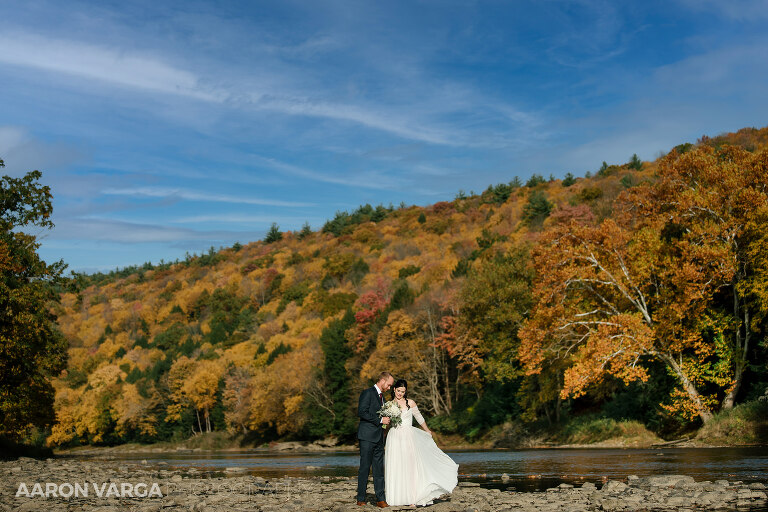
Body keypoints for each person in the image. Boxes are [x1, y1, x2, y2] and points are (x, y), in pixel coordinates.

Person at [384, 379, 459, 507]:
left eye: (403, 391)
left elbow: (419, 418)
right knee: (396, 465)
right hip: (395, 437)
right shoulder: (389, 404)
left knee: (410, 466)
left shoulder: (410, 403)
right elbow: (386, 422)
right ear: (394, 389)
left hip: (408, 436)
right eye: (398, 391)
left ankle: (413, 498)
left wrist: (427, 430)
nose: (400, 393)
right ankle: (396, 498)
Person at [357, 371, 395, 507]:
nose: (389, 388)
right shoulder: (367, 393)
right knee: (365, 468)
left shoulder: (383, 398)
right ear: (383, 381)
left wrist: (385, 424)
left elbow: (381, 417)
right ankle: (361, 498)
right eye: (389, 385)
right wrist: (380, 420)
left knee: (379, 470)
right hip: (367, 437)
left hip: (379, 438)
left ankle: (380, 499)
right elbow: (361, 412)